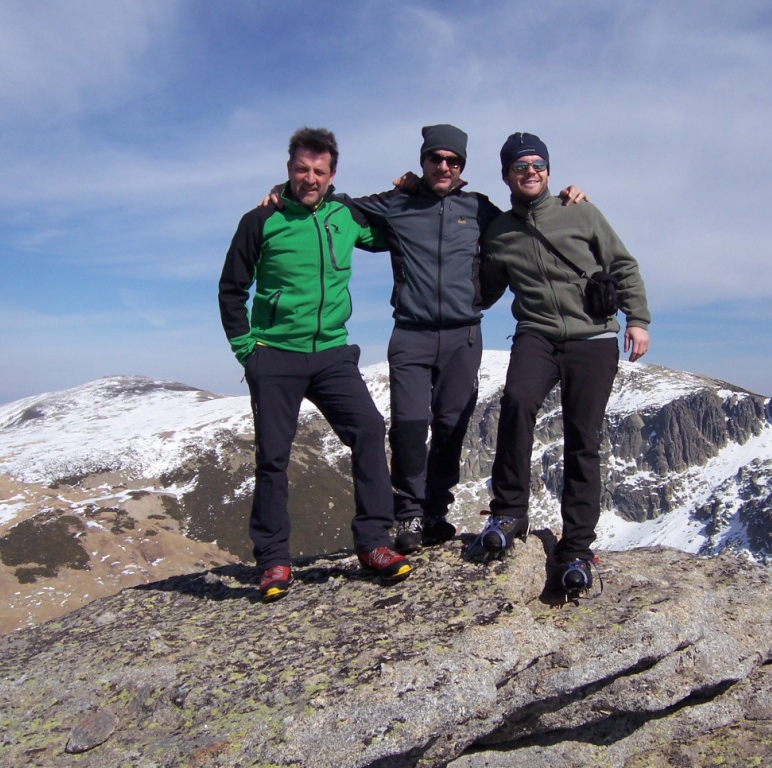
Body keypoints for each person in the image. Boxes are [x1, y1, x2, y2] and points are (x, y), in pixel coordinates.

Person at [262, 125, 586, 556]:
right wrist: (282, 191)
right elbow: (335, 205)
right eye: (436, 159)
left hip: (463, 335)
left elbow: (524, 220)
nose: (444, 166)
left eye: (454, 161)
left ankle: (435, 511)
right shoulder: (398, 204)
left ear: (462, 168)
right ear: (424, 161)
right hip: (411, 333)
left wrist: (566, 201)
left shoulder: (479, 209)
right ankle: (409, 511)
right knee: (410, 426)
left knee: (452, 427)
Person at [219, 127, 412, 603]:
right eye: (302, 169)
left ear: (332, 175)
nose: (310, 178)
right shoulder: (260, 221)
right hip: (275, 355)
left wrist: (411, 190)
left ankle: (374, 545)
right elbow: (231, 289)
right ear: (289, 169)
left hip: (331, 353)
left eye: (319, 171)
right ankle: (272, 561)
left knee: (368, 428)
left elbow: (393, 230)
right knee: (273, 456)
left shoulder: (344, 216)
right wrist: (249, 352)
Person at [477, 132, 651, 597]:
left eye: (537, 164)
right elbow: (483, 289)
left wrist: (637, 319)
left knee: (582, 439)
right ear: (506, 176)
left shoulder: (581, 212)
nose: (529, 171)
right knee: (516, 402)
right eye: (519, 166)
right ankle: (510, 510)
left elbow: (622, 266)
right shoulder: (498, 231)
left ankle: (576, 548)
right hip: (536, 335)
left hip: (593, 338)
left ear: (548, 171)